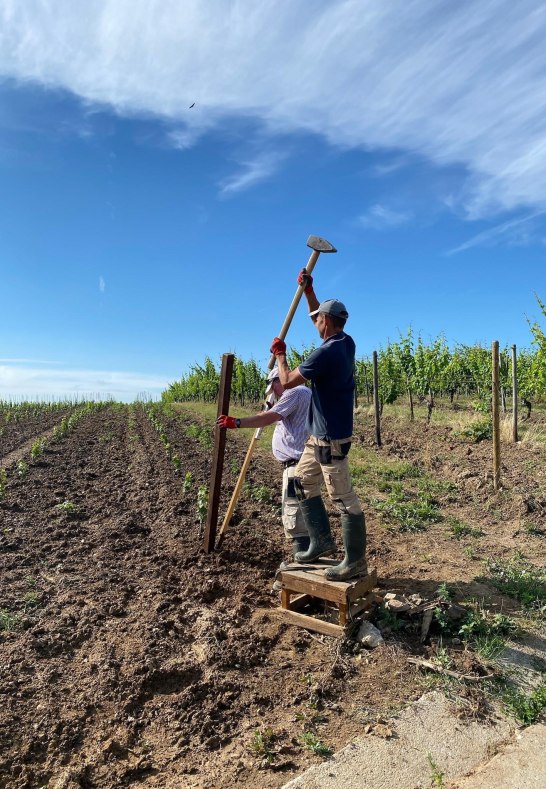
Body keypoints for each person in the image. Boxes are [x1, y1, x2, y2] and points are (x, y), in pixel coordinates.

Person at [269, 268, 367, 581]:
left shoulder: (325, 353)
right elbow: (318, 317)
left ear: (326, 321)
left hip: (331, 441)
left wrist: (281, 355)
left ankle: (355, 562)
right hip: (317, 436)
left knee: (343, 499)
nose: (315, 322)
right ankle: (321, 541)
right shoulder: (344, 341)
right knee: (301, 482)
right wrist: (310, 290)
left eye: (318, 318)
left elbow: (285, 380)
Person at [216, 366, 312, 562]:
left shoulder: (295, 392)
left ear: (280, 381)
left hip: (297, 465)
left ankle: (302, 565)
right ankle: (306, 561)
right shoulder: (301, 393)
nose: (274, 394)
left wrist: (237, 423)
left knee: (295, 517)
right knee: (303, 513)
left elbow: (268, 418)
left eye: (274, 388)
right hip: (299, 464)